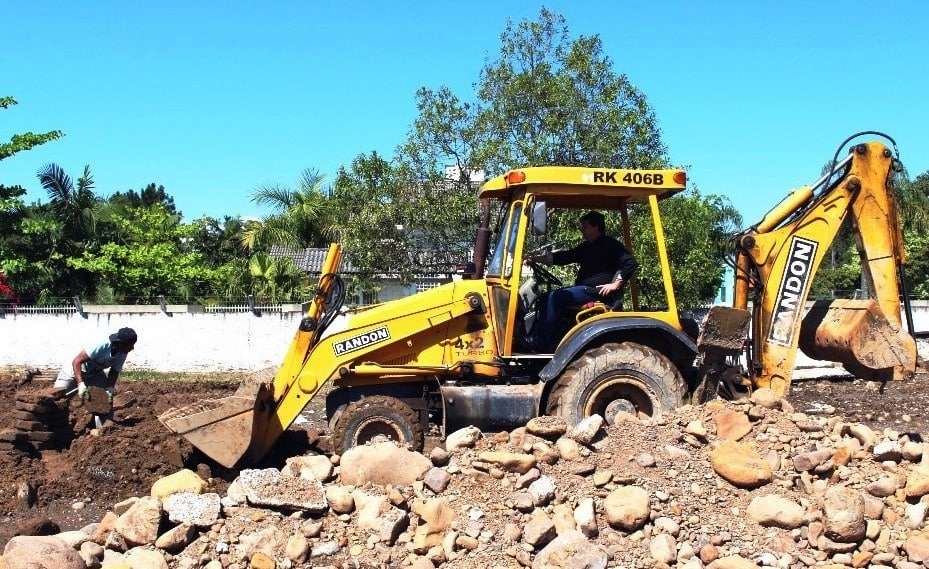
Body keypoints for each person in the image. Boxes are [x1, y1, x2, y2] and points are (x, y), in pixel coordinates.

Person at [530, 211, 638, 351]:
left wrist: (615, 284)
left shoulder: (611, 244)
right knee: (544, 298)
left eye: (585, 227)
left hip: (595, 292)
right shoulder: (587, 247)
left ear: (596, 227)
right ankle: (545, 337)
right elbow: (564, 257)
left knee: (556, 297)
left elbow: (630, 263)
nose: (582, 230)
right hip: (583, 289)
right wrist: (535, 259)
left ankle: (544, 344)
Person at [54, 327, 137, 397]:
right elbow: (76, 361)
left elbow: (114, 371)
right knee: (57, 396)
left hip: (94, 373)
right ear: (120, 343)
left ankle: (101, 416)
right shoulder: (102, 345)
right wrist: (80, 384)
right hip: (74, 369)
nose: (132, 348)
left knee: (103, 399)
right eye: (130, 345)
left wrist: (110, 388)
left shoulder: (123, 352)